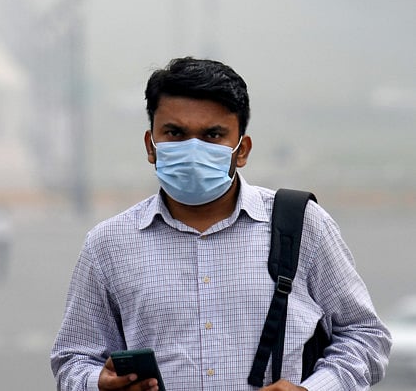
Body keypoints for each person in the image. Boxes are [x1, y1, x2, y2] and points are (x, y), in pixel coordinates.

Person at [51, 57, 391, 390]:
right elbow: (73, 360)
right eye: (175, 132)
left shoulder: (303, 227)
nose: (193, 149)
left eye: (213, 135)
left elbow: (365, 337)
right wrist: (99, 383)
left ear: (241, 149)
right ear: (150, 145)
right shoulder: (108, 244)